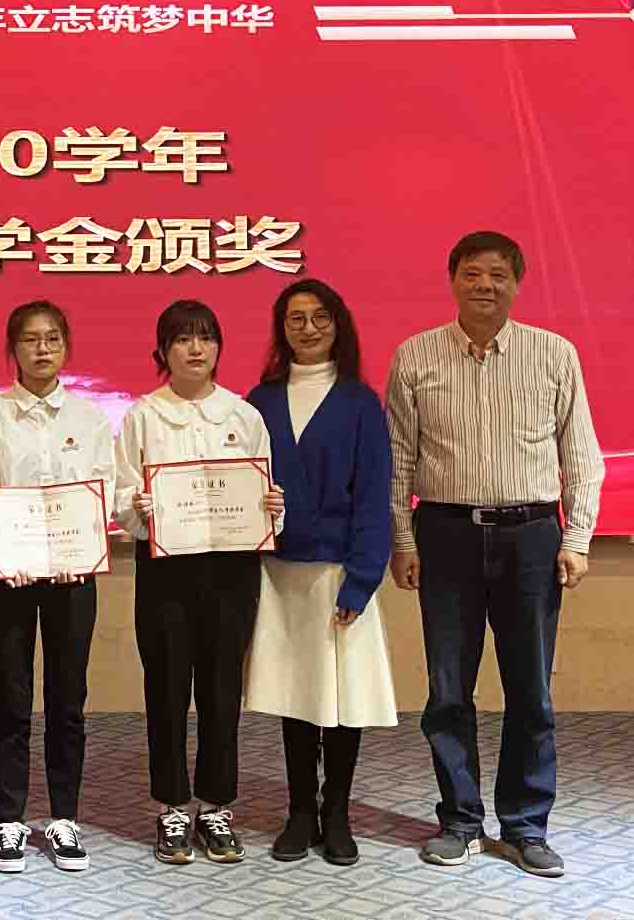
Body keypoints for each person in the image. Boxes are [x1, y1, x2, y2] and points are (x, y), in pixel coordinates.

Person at [386, 231, 604, 879]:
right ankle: (458, 820)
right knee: (447, 690)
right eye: (473, 273)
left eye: (498, 274)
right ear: (452, 279)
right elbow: (399, 458)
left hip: (530, 536)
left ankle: (526, 825)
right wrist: (402, 539)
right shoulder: (415, 355)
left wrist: (577, 538)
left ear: (517, 283)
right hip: (444, 534)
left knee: (530, 690)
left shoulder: (553, 354)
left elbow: (580, 454)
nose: (485, 284)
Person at [114, 299, 285, 867]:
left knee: (221, 691)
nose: (195, 348)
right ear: (162, 351)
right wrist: (139, 508)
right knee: (165, 689)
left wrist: (272, 508)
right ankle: (170, 807)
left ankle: (216, 807)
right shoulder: (143, 416)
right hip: (165, 570)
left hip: (231, 571)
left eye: (206, 338)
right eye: (183, 339)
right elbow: (121, 495)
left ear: (218, 347)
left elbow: (264, 492)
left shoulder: (243, 415)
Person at [243, 280, 398, 867]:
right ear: (281, 329)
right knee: (298, 696)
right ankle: (300, 812)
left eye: (320, 317)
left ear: (339, 325)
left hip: (341, 572)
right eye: (296, 319)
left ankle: (337, 812)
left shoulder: (360, 402)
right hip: (281, 571)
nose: (308, 329)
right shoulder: (258, 402)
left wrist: (362, 578)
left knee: (342, 698)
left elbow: (374, 497)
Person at [0, 300, 113, 874]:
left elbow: (104, 491)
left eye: (52, 338)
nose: (42, 349)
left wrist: (86, 544)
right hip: (10, 577)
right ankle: (9, 820)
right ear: (13, 349)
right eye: (30, 339)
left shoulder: (90, 419)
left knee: (68, 699)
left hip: (74, 577)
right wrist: (6, 548)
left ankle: (65, 817)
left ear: (66, 346)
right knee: (11, 696)